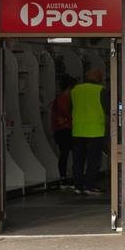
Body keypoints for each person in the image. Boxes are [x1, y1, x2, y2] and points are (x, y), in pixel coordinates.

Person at [70, 67, 109, 195]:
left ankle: (78, 185)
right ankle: (90, 185)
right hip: (95, 130)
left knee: (78, 159)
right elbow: (108, 109)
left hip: (78, 129)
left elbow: (71, 107)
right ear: (98, 78)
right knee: (93, 159)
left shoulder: (75, 90)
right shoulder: (100, 90)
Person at [50, 78, 75, 186]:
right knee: (70, 154)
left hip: (60, 130)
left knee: (64, 154)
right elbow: (68, 114)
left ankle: (63, 177)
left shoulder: (58, 99)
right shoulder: (66, 99)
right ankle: (66, 177)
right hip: (66, 129)